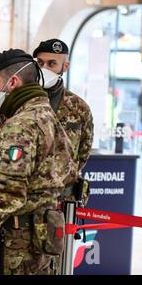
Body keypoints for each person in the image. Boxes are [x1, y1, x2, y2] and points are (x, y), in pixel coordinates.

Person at [0, 49, 75, 275]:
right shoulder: (46, 115)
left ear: (13, 82)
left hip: (17, 244)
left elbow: (8, 191)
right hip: (41, 236)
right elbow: (69, 171)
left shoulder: (21, 125)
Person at [33, 39, 93, 204]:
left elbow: (83, 152)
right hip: (26, 197)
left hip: (61, 198)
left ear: (65, 67)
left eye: (52, 63)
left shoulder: (79, 108)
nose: (44, 68)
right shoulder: (21, 101)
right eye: (40, 63)